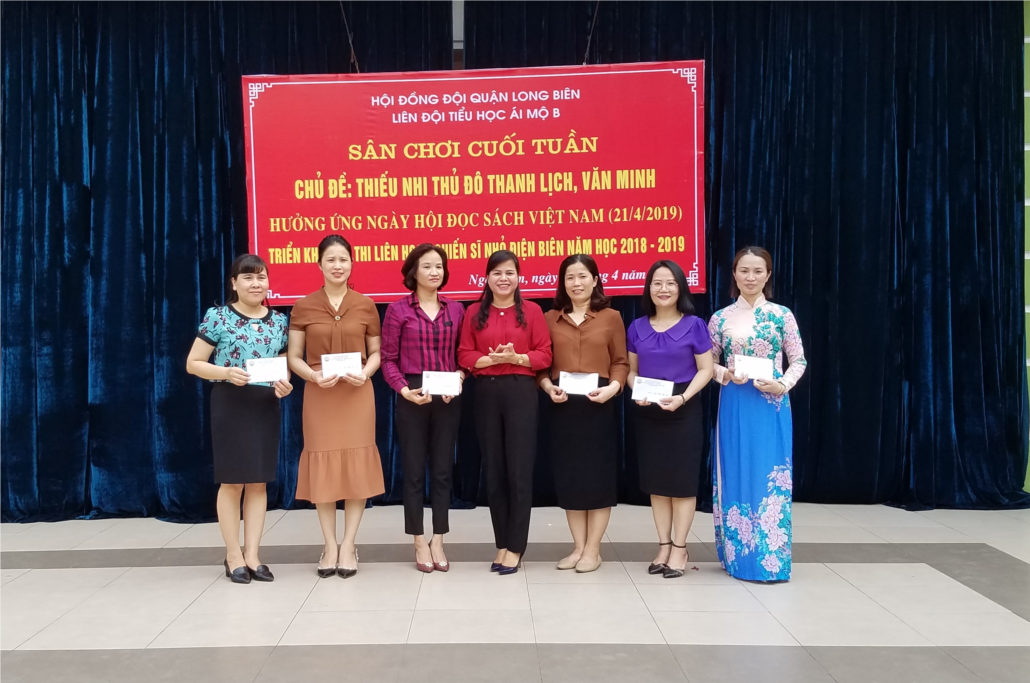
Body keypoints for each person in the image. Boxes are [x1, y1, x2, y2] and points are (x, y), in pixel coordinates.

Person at [186, 254, 292, 584]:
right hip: (230, 403)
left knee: (258, 482)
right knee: (232, 482)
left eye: (261, 277)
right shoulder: (218, 317)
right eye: (248, 277)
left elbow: (282, 365)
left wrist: (284, 384)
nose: (256, 283)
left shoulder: (279, 321)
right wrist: (226, 372)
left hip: (265, 404)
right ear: (234, 283)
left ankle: (253, 554)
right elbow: (193, 363)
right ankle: (233, 555)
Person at [287, 235, 384, 579]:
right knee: (323, 467)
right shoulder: (303, 306)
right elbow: (294, 357)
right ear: (319, 264)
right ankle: (329, 544)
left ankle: (348, 544)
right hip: (321, 395)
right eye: (331, 259)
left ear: (352, 263)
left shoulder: (366, 305)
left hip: (357, 394)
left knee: (356, 469)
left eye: (343, 259)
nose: (337, 266)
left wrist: (366, 373)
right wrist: (313, 377)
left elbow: (376, 352)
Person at [708, 247, 806, 582]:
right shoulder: (720, 318)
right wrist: (725, 374)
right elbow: (706, 363)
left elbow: (799, 360)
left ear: (768, 275)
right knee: (736, 470)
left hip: (771, 404)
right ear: (734, 274)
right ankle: (737, 557)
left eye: (758, 271)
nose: (750, 277)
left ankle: (771, 559)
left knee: (770, 476)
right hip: (735, 403)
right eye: (744, 271)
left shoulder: (782, 316)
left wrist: (782, 385)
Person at [458, 250, 552, 575]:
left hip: (520, 393)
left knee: (519, 471)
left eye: (510, 272)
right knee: (494, 471)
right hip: (486, 393)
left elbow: (545, 355)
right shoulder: (473, 312)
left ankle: (516, 546)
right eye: (497, 272)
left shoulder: (533, 311)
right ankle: (501, 543)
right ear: (487, 278)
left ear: (518, 277)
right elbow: (464, 354)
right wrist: (491, 360)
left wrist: (517, 358)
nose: (503, 278)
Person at [539, 254, 628, 573]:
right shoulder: (549, 318)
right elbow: (541, 365)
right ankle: (578, 547)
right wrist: (548, 387)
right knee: (571, 478)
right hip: (563, 405)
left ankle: (593, 550)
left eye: (582, 276)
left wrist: (613, 388)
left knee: (598, 478)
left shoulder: (611, 317)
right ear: (562, 283)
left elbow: (620, 361)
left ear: (595, 280)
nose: (576, 283)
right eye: (570, 277)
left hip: (599, 402)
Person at [381, 243, 466, 573]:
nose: (434, 272)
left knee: (443, 471)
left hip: (447, 396)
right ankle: (418, 539)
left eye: (439, 266)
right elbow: (388, 359)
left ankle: (439, 539)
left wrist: (459, 379)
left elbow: (464, 356)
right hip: (412, 394)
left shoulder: (456, 309)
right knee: (414, 471)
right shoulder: (398, 310)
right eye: (427, 266)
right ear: (413, 272)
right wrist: (403, 390)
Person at [626, 260, 714, 579]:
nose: (663, 289)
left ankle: (680, 548)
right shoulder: (636, 327)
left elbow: (706, 369)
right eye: (657, 283)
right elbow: (631, 372)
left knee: (682, 482)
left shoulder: (694, 325)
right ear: (649, 288)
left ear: (680, 288)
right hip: (649, 410)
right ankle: (663, 545)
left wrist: (683, 398)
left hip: (683, 408)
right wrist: (637, 390)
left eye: (670, 283)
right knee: (658, 482)